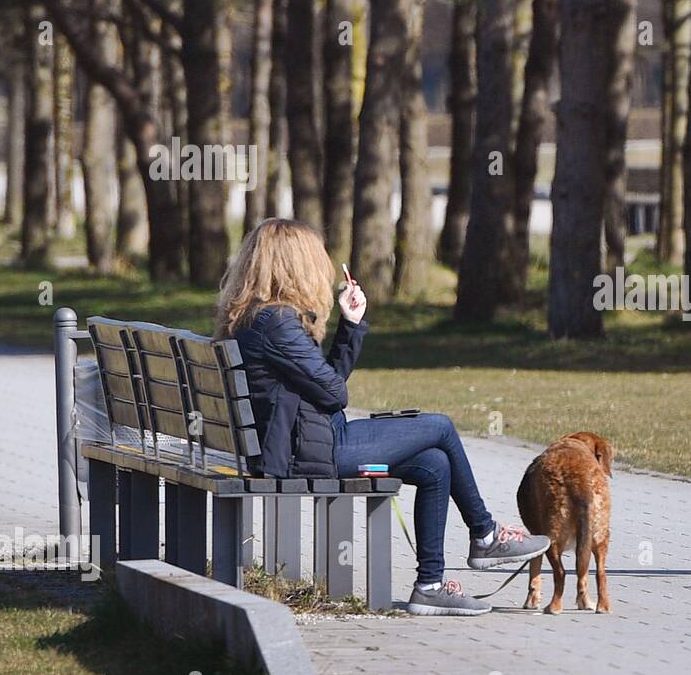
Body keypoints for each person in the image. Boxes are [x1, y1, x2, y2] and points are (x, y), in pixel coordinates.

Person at [214, 218, 549, 616]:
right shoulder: (278, 323)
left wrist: (350, 326)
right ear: (295, 265)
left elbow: (328, 387)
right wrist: (339, 332)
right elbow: (335, 393)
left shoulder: (252, 317)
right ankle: (485, 533)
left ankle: (430, 585)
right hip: (303, 454)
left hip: (297, 444)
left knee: (434, 463)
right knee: (439, 426)